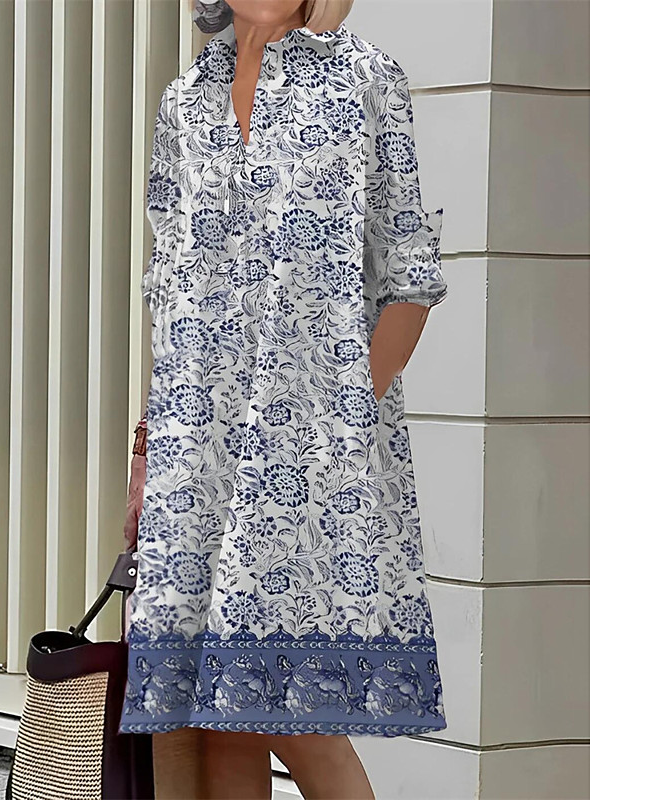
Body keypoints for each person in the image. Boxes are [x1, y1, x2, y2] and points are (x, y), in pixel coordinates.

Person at [119, 1, 449, 797]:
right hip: (194, 456)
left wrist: (340, 424)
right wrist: (148, 451)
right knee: (213, 722)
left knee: (298, 720)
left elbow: (409, 274)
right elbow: (170, 293)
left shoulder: (364, 78)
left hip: (313, 456)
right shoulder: (184, 100)